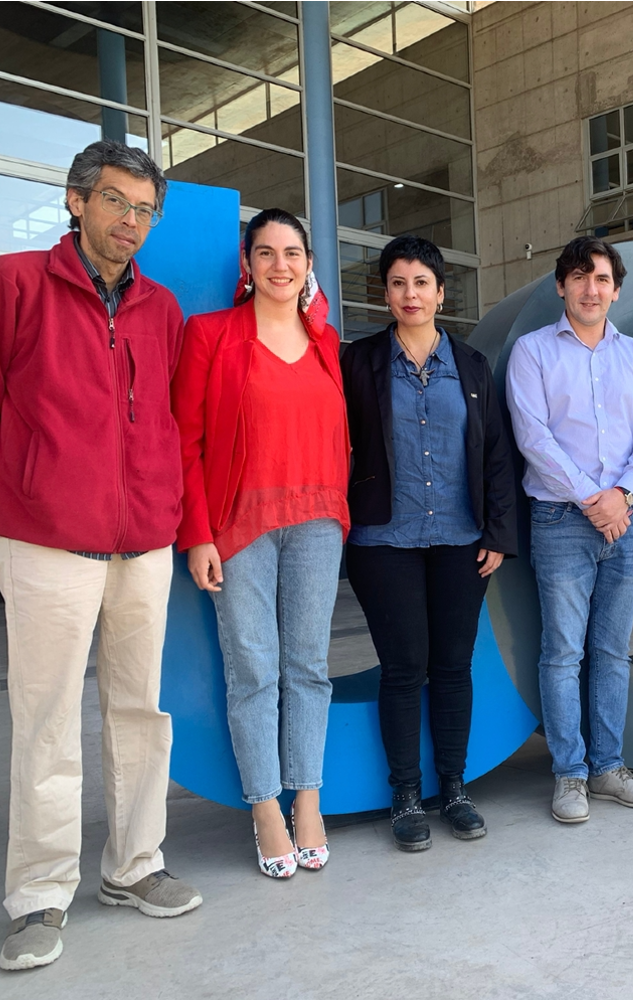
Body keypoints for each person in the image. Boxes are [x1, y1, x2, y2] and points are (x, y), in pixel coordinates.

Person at [0, 141, 202, 972]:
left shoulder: (163, 310)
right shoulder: (14, 285)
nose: (131, 222)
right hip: (47, 537)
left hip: (143, 540)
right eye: (117, 203)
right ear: (77, 203)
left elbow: (167, 417)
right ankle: (38, 896)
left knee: (138, 713)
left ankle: (134, 866)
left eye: (145, 210)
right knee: (47, 722)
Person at [171, 209, 350, 876]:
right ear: (247, 264)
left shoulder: (324, 339)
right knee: (254, 671)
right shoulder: (211, 334)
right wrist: (197, 534)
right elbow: (184, 438)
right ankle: (265, 808)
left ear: (308, 264)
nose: (281, 264)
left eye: (293, 253)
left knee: (308, 667)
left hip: (317, 520)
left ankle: (308, 798)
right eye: (267, 252)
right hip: (238, 526)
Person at [341, 235, 516, 851]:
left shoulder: (471, 365)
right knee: (402, 667)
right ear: (385, 293)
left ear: (441, 293)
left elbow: (496, 452)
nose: (409, 295)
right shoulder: (356, 363)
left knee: (452, 667)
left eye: (421, 283)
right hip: (384, 538)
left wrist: (498, 531)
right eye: (397, 283)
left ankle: (455, 788)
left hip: (460, 540)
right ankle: (406, 795)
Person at [506, 235, 633, 824]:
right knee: (562, 652)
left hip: (623, 519)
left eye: (600, 278)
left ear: (615, 289)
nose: (589, 288)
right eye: (577, 277)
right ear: (560, 286)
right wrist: (592, 499)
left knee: (611, 651)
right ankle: (570, 773)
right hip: (559, 519)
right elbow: (533, 437)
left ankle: (608, 768)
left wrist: (621, 497)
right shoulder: (532, 352)